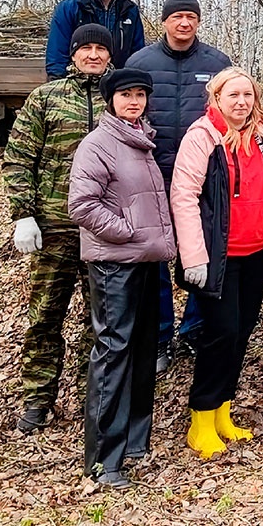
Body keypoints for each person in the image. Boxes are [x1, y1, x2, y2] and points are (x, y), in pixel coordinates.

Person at [169, 68, 263, 458]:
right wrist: (193, 256)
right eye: (233, 95)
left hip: (256, 252)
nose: (241, 102)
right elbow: (184, 196)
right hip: (216, 257)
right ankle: (201, 418)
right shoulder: (202, 137)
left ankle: (223, 412)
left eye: (247, 95)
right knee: (220, 334)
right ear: (217, 98)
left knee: (241, 333)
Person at [66, 67, 175, 488]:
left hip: (147, 260)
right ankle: (102, 459)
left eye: (140, 95)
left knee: (143, 348)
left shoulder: (142, 140)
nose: (134, 101)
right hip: (115, 263)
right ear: (111, 99)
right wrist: (127, 233)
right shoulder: (98, 145)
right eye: (125, 95)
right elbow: (83, 205)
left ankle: (133, 441)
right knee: (114, 350)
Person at [3, 24, 112, 434]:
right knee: (45, 316)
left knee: (99, 319)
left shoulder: (119, 98)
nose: (94, 55)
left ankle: (94, 395)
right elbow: (18, 158)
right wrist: (23, 214)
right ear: (73, 53)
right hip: (53, 228)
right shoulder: (45, 98)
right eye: (87, 48)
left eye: (101, 48)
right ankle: (37, 397)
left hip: (102, 231)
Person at [126, 0, 231, 373]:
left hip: (203, 174)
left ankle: (194, 329)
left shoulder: (217, 62)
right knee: (156, 260)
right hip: (151, 173)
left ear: (198, 21)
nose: (184, 23)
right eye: (177, 17)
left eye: (190, 17)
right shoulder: (141, 61)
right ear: (166, 21)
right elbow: (126, 111)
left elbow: (229, 113)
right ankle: (159, 337)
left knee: (199, 253)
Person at [45, 0, 144, 79]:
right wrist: (59, 87)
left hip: (116, 87)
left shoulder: (130, 11)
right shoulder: (70, 8)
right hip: (76, 86)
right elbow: (57, 53)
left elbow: (137, 56)